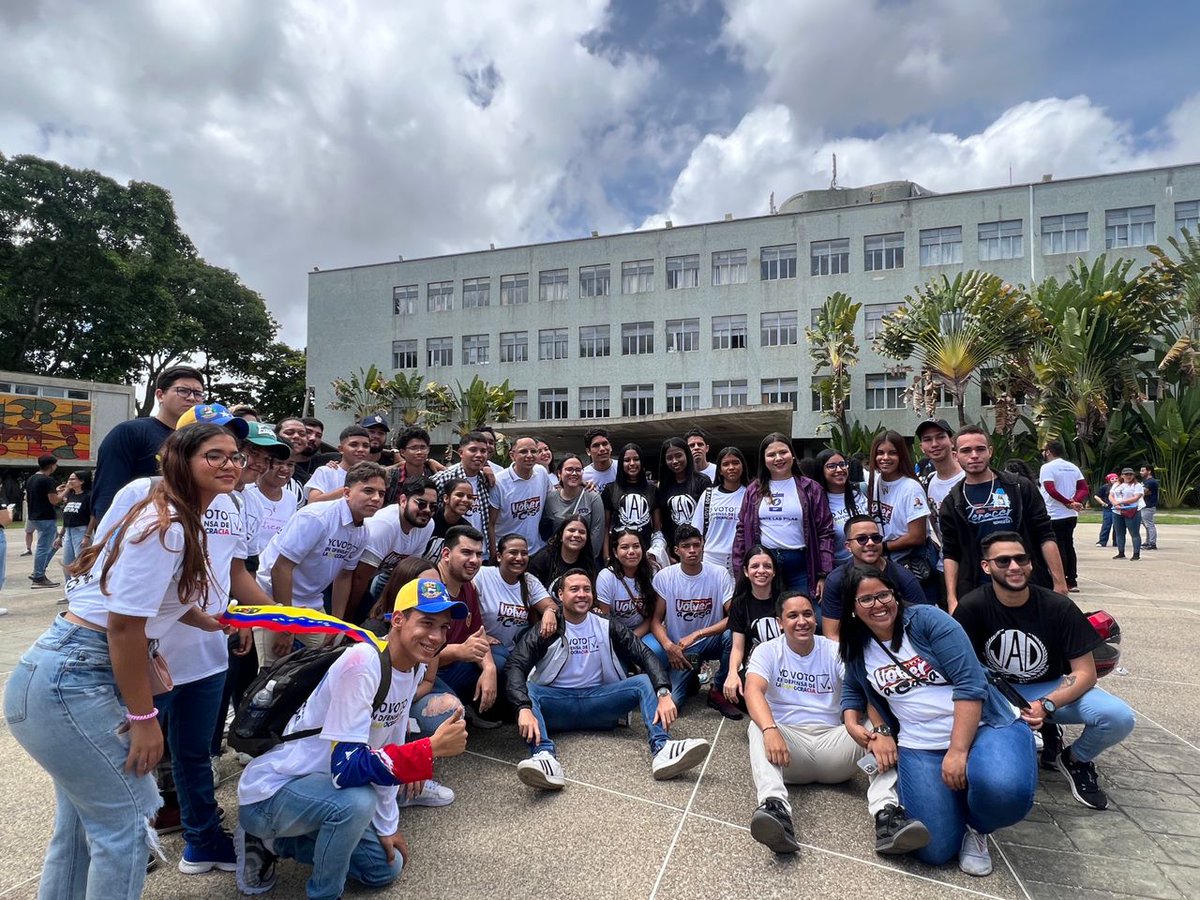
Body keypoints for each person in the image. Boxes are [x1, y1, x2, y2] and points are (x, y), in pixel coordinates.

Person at [4, 424, 240, 898]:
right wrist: (144, 718)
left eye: (234, 455)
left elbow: (149, 602)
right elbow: (124, 627)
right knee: (128, 825)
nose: (229, 464)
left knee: (80, 832)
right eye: (214, 456)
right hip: (75, 677)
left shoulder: (182, 518)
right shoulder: (166, 524)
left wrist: (205, 621)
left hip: (70, 675)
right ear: (179, 461)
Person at [235, 579, 471, 897]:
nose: (436, 637)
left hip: (323, 792)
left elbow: (390, 745)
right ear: (398, 619)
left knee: (385, 868)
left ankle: (277, 843)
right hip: (272, 794)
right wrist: (428, 750)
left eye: (443, 627)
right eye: (427, 623)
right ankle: (320, 889)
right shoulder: (363, 662)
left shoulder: (413, 668)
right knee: (357, 802)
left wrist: (388, 826)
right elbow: (345, 768)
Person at [838, 565, 1036, 875]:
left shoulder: (928, 621)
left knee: (1005, 791)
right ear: (852, 608)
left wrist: (957, 752)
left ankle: (977, 826)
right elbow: (853, 688)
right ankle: (957, 796)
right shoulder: (857, 644)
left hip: (984, 727)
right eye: (866, 600)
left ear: (895, 594)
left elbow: (971, 685)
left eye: (883, 594)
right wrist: (856, 723)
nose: (878, 605)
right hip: (920, 742)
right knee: (935, 850)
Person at [953, 532, 1135, 811]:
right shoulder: (972, 607)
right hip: (996, 695)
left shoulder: (1058, 606)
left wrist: (1046, 705)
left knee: (1118, 717)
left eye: (1020, 558)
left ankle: (1076, 759)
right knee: (1003, 775)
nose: (1014, 566)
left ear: (1030, 563)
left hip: (1046, 688)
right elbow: (958, 669)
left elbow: (1086, 672)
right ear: (986, 567)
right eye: (1003, 561)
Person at [744, 592, 929, 856]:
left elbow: (865, 691)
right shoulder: (767, 651)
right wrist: (771, 730)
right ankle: (775, 809)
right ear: (779, 622)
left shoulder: (834, 649)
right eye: (793, 616)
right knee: (758, 726)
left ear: (815, 618)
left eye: (807, 614)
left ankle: (887, 816)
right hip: (787, 752)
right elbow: (752, 691)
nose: (802, 621)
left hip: (834, 745)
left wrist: (881, 731)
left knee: (877, 725)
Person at [504, 570, 711, 790]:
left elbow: (643, 653)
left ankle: (662, 748)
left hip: (599, 701)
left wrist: (663, 692)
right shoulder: (547, 628)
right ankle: (544, 757)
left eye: (586, 589)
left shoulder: (606, 623)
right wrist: (523, 708)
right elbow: (515, 665)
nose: (582, 594)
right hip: (557, 704)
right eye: (574, 589)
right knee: (529, 689)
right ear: (560, 595)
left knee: (641, 682)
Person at [255, 462, 386, 666]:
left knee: (326, 659)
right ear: (346, 492)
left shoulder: (363, 531)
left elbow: (344, 577)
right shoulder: (316, 517)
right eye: (368, 491)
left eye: (381, 493)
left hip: (311, 602)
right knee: (269, 675)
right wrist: (286, 625)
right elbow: (280, 569)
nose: (376, 498)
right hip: (273, 597)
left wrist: (338, 624)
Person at [939, 426, 1067, 611]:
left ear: (990, 451)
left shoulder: (1019, 487)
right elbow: (951, 553)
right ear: (955, 455)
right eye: (966, 450)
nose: (974, 455)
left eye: (980, 449)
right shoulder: (953, 502)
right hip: (980, 589)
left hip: (1027, 582)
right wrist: (952, 599)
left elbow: (1045, 535)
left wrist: (1060, 584)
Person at [90, 365, 206, 526]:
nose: (192, 398)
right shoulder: (130, 432)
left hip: (185, 530)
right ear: (160, 395)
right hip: (139, 532)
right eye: (183, 391)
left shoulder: (199, 440)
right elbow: (107, 493)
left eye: (198, 393)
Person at [650, 525, 739, 718]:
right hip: (683, 651)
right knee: (674, 705)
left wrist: (698, 633)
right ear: (676, 550)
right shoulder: (665, 577)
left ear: (703, 546)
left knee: (732, 636)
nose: (692, 550)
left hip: (711, 641)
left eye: (696, 545)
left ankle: (718, 689)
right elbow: (655, 621)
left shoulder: (719, 573)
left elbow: (734, 618)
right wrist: (669, 646)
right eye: (686, 546)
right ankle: (692, 676)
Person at [733, 432, 835, 596]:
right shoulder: (754, 489)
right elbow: (741, 531)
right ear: (764, 460)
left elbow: (825, 532)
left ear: (793, 455)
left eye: (783, 452)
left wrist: (824, 573)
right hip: (764, 568)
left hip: (802, 567)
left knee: (807, 616)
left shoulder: (811, 488)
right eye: (771, 454)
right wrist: (740, 570)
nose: (778, 458)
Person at [822, 515, 928, 641]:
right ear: (848, 546)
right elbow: (832, 634)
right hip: (856, 648)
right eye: (862, 539)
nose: (870, 543)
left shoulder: (903, 577)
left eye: (876, 538)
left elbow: (923, 623)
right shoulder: (835, 580)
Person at [350, 476, 437, 620]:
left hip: (373, 578)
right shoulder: (386, 524)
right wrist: (348, 618)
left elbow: (409, 573)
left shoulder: (427, 525)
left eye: (433, 507)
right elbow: (359, 577)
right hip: (343, 578)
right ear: (403, 501)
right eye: (421, 504)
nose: (427, 511)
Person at [474, 534, 556, 686]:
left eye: (524, 553)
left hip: (509, 646)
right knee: (503, 663)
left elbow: (550, 605)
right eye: (513, 552)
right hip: (481, 644)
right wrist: (482, 635)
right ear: (499, 556)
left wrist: (549, 612)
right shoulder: (483, 575)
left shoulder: (529, 580)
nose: (519, 558)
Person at [866, 430, 933, 596]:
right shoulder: (875, 483)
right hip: (882, 565)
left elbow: (917, 535)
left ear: (901, 455)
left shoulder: (911, 488)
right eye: (880, 453)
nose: (885, 458)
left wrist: (882, 547)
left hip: (908, 566)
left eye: (892, 453)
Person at [721, 546, 783, 709]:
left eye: (767, 566)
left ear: (774, 571)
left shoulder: (786, 601)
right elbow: (737, 647)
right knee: (739, 691)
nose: (761, 571)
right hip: (756, 667)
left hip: (785, 667)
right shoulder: (740, 604)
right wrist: (732, 673)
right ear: (746, 572)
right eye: (755, 566)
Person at [595, 528, 664, 665]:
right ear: (615, 552)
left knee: (657, 651)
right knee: (618, 666)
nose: (631, 552)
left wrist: (633, 637)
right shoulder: (606, 577)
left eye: (636, 546)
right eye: (624, 547)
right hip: (615, 635)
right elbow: (606, 618)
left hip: (645, 630)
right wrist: (624, 640)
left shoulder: (654, 572)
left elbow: (655, 617)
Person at [433, 432, 494, 560]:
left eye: (483, 451)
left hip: (481, 554)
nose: (479, 455)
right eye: (473, 450)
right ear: (461, 453)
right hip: (449, 556)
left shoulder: (487, 480)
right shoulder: (444, 478)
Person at [1038, 440, 1089, 593]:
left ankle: (1061, 579)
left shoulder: (1047, 467)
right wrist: (1075, 501)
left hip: (1054, 513)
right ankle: (1072, 579)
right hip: (1070, 515)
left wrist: (1068, 502)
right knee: (1068, 545)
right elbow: (1083, 488)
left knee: (1057, 547)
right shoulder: (1072, 467)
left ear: (1048, 452)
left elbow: (1050, 489)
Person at [489, 436, 551, 558]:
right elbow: (490, 523)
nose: (529, 455)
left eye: (533, 451)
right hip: (506, 553)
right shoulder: (499, 482)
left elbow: (556, 493)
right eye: (523, 451)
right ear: (512, 455)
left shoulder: (542, 473)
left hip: (534, 551)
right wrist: (493, 555)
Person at [690, 446, 749, 574]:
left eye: (736, 463)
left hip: (741, 558)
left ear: (743, 466)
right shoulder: (709, 494)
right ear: (720, 470)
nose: (731, 467)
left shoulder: (749, 494)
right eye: (726, 464)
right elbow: (696, 530)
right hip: (711, 558)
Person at [656, 436, 712, 556]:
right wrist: (669, 551)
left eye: (678, 455)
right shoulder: (664, 486)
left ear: (687, 455)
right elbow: (665, 522)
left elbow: (709, 518)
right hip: (677, 550)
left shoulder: (702, 481)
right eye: (669, 458)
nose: (675, 461)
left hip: (700, 547)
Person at [602, 443, 660, 559]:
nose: (632, 463)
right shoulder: (610, 489)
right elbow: (605, 527)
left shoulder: (652, 489)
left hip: (646, 554)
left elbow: (657, 528)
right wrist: (606, 556)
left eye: (636, 459)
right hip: (619, 554)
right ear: (621, 464)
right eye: (627, 460)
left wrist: (655, 553)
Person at [542, 453, 605, 558]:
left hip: (585, 559)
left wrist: (586, 559)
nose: (574, 473)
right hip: (557, 558)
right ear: (559, 473)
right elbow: (546, 532)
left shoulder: (593, 497)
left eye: (578, 470)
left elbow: (597, 533)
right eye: (569, 469)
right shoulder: (550, 499)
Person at [814, 448, 868, 567]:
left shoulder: (860, 492)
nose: (839, 470)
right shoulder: (817, 502)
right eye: (831, 466)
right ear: (821, 470)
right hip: (836, 570)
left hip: (867, 566)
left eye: (842, 464)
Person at [24, 454, 65, 588]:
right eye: (55, 464)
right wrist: (67, 490)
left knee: (56, 543)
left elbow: (41, 494)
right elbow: (54, 500)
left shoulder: (32, 478)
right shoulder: (47, 480)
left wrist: (56, 490)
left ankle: (39, 570)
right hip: (46, 517)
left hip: (34, 516)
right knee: (44, 547)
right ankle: (38, 576)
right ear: (51, 465)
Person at [528, 514, 599, 589]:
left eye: (582, 532)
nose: (576, 535)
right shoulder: (543, 559)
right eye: (571, 530)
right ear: (561, 536)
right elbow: (530, 591)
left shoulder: (590, 564)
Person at [304, 425, 372, 504]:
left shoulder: (372, 477)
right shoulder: (326, 472)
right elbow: (312, 502)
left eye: (366, 446)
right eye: (354, 445)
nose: (361, 449)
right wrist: (351, 488)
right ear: (341, 449)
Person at [423, 477, 474, 561]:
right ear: (446, 498)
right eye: (459, 495)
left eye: (469, 497)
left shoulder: (466, 529)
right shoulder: (428, 518)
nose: (465, 500)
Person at [56, 469, 93, 570]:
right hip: (69, 532)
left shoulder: (89, 496)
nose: (69, 481)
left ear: (82, 481)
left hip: (81, 531)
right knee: (68, 565)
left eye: (73, 479)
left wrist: (87, 536)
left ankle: (82, 584)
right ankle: (69, 584)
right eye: (69, 479)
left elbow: (93, 517)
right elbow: (68, 517)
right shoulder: (70, 496)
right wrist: (60, 536)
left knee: (81, 563)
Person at [1109, 467, 1144, 561]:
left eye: (1130, 474)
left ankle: (1136, 553)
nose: (1128, 476)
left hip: (1131, 510)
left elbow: (1136, 497)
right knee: (1119, 533)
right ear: (1122, 475)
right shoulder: (1117, 484)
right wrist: (1114, 503)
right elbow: (1111, 495)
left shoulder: (1137, 485)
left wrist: (1121, 502)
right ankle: (1121, 552)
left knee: (1134, 533)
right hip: (1117, 511)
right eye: (1126, 474)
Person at [1094, 473, 1118, 548]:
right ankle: (1102, 541)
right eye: (1112, 479)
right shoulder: (1105, 487)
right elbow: (1096, 496)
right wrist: (1103, 503)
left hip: (1117, 508)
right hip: (1108, 508)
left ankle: (1117, 542)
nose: (1115, 480)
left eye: (1116, 478)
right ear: (1109, 480)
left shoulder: (1120, 487)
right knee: (1106, 525)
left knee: (1117, 526)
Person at [1139, 464, 1159, 550]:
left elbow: (1142, 492)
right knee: (1146, 524)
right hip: (1144, 505)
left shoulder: (1151, 481)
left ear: (1149, 471)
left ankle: (1152, 543)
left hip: (1149, 505)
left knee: (1149, 524)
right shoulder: (1145, 481)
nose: (1141, 472)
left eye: (1143, 470)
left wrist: (1142, 492)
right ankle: (1148, 542)